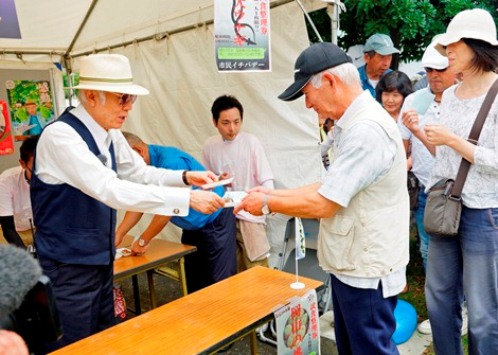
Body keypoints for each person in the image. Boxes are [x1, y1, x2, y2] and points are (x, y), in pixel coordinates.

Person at [30, 53, 225, 351]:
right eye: (123, 99)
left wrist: (186, 177)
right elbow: (110, 189)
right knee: (73, 345)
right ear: (92, 96)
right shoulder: (61, 137)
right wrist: (186, 199)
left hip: (100, 259)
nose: (129, 108)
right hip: (67, 264)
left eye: (131, 100)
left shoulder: (111, 133)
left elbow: (138, 172)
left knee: (106, 337)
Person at [236, 42, 409, 354]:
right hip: (353, 263)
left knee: (370, 348)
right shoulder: (353, 124)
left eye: (306, 94)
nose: (307, 105)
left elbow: (324, 203)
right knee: (353, 346)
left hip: (366, 269)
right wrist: (271, 192)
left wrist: (265, 203)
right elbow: (328, 186)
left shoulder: (367, 129)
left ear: (329, 82)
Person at [423, 9, 498, 354]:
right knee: (438, 299)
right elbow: (449, 158)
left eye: (454, 43)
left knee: (482, 313)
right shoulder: (450, 95)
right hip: (446, 206)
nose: (448, 50)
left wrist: (452, 139)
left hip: (485, 213)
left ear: (477, 44)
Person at [116, 132, 237, 292]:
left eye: (126, 165)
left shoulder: (171, 162)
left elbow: (167, 210)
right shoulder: (145, 167)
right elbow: (140, 203)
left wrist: (143, 240)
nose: (127, 171)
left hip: (215, 221)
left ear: (139, 152)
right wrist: (119, 234)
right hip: (192, 226)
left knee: (218, 281)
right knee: (193, 279)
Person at [202, 95, 274, 272]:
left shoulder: (251, 142)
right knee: (231, 267)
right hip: (224, 215)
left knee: (257, 266)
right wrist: (219, 179)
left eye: (236, 121)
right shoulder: (210, 145)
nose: (232, 128)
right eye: (225, 123)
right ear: (214, 122)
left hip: (250, 213)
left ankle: (262, 300)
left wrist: (269, 203)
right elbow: (206, 181)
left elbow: (266, 177)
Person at [0, 135, 39, 249]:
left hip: (39, 230)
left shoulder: (54, 178)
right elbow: (8, 228)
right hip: (11, 231)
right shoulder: (6, 181)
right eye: (36, 169)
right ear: (23, 163)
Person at [357, 33, 400, 98]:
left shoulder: (395, 79)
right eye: (381, 57)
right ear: (367, 57)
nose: (386, 63)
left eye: (389, 57)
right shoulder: (354, 79)